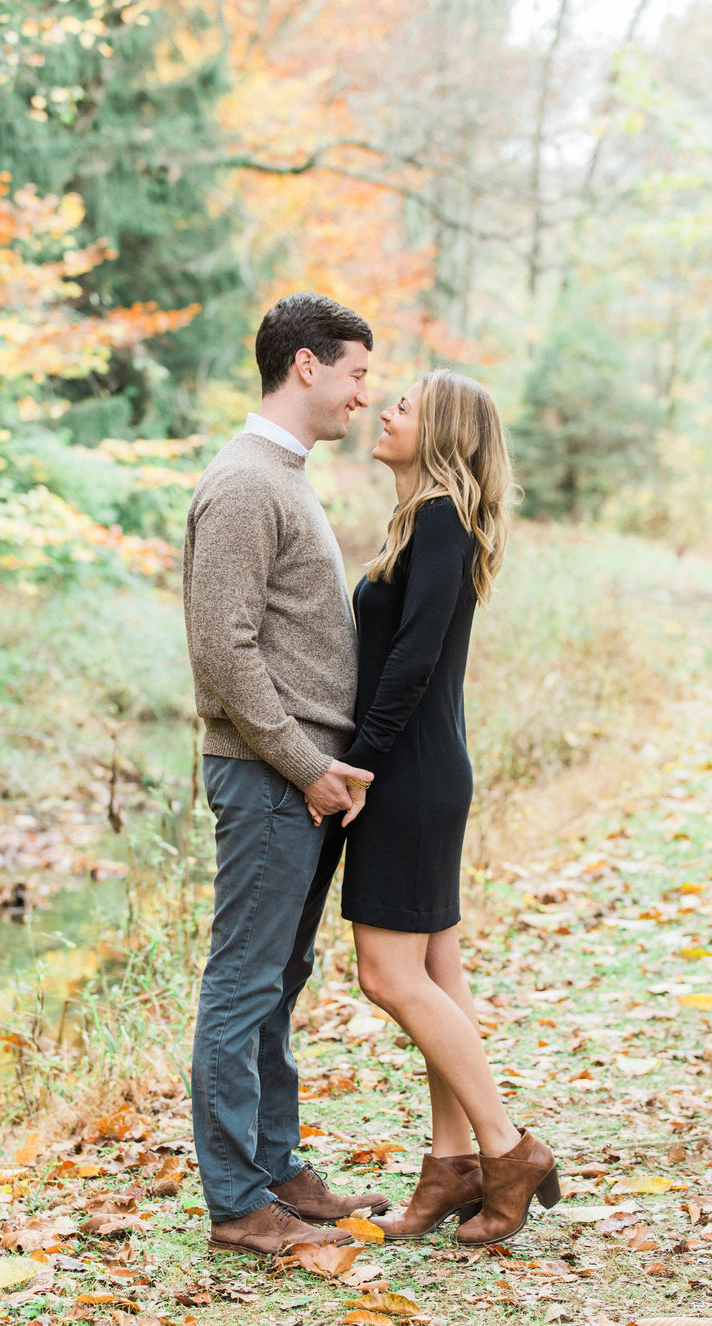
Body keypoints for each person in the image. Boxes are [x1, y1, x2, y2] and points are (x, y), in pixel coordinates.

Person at [314, 369, 559, 1245]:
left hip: (408, 775)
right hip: (425, 769)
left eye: (405, 406)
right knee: (437, 975)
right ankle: (451, 1166)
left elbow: (412, 659)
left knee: (389, 976)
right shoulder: (424, 520)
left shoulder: (442, 520)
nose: (385, 410)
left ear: (443, 431)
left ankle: (507, 1149)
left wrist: (359, 769)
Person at [182, 293, 391, 1258]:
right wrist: (309, 766)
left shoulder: (286, 475)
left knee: (281, 976)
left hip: (302, 781)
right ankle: (236, 1202)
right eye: (355, 373)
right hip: (272, 776)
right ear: (305, 366)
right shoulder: (242, 483)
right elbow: (223, 652)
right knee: (243, 983)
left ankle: (275, 1164)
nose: (364, 394)